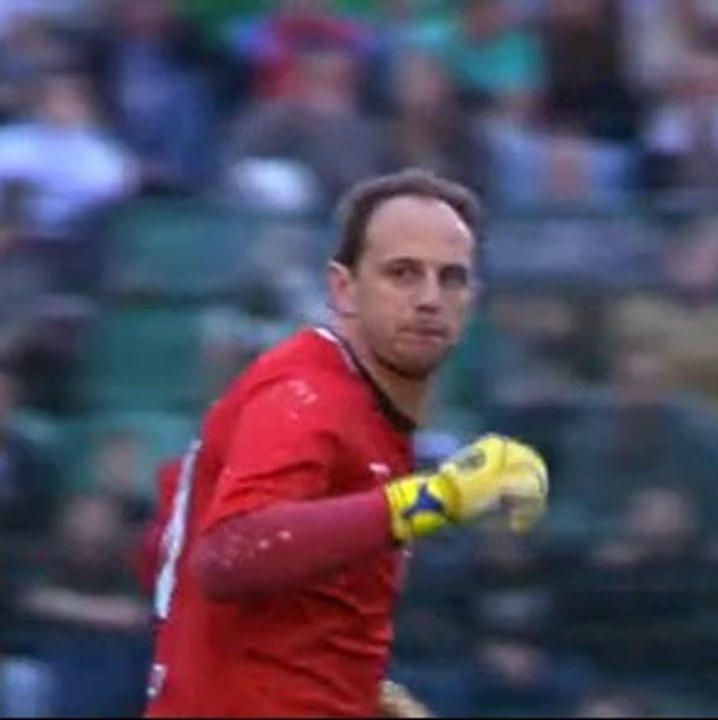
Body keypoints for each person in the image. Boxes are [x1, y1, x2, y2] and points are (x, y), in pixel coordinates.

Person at [142, 168, 550, 717]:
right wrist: (435, 499)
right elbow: (228, 554)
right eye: (402, 273)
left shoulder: (360, 403)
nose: (430, 298)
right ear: (343, 288)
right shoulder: (309, 394)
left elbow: (170, 546)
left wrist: (352, 692)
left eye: (451, 278)